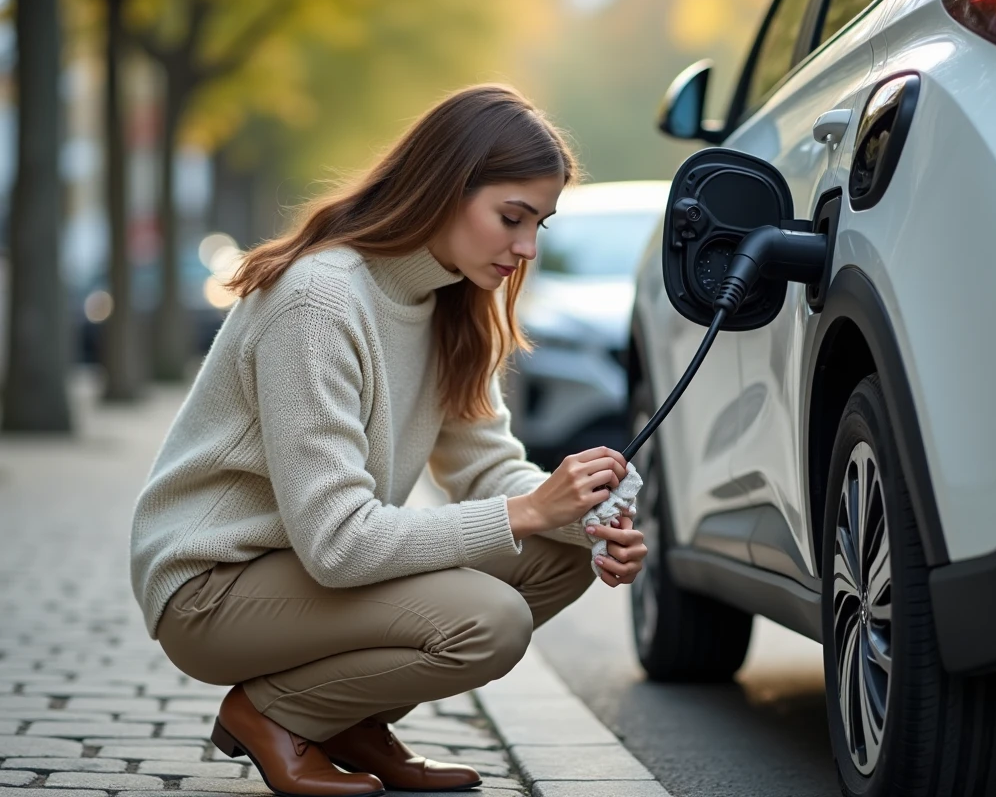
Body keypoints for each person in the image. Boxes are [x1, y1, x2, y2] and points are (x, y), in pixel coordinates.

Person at [129, 83, 647, 797]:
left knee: (562, 559)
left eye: (539, 226)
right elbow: (338, 544)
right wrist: (529, 513)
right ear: (444, 188)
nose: (525, 247)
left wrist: (588, 521)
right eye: (511, 217)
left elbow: (486, 466)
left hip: (305, 570)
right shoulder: (319, 300)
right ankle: (273, 715)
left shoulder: (450, 301)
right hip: (213, 585)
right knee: (488, 621)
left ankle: (349, 720)